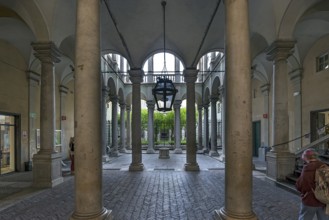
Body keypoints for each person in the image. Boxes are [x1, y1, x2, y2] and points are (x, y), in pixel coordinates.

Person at [296, 148, 329, 220]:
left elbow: (300, 185)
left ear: (306, 157)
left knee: (305, 217)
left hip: (310, 200)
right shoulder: (324, 166)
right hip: (324, 200)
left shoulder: (307, 168)